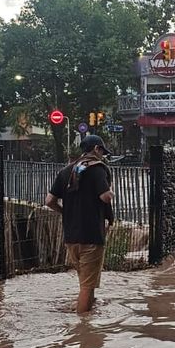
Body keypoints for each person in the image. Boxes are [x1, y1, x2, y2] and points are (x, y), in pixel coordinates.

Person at [45, 134, 115, 314]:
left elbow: (49, 201)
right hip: (91, 235)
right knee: (87, 286)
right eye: (102, 152)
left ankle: (87, 313)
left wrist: (65, 212)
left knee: (85, 281)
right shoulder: (98, 169)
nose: (103, 156)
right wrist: (111, 192)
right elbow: (105, 197)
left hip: (71, 237)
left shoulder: (66, 171)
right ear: (96, 149)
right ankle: (83, 328)